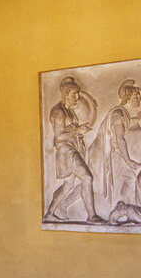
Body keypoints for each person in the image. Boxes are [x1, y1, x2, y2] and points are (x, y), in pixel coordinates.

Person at [44, 77, 104, 223]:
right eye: (74, 94)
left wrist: (78, 130)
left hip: (71, 149)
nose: (77, 98)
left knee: (69, 185)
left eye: (78, 94)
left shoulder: (67, 111)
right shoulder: (59, 112)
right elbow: (59, 136)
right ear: (65, 94)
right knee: (87, 177)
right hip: (66, 151)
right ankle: (91, 216)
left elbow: (69, 130)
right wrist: (78, 130)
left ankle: (49, 213)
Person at [87, 79, 141, 210]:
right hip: (104, 154)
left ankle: (125, 211)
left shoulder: (123, 114)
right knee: (108, 183)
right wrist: (129, 161)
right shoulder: (118, 114)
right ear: (128, 97)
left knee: (129, 179)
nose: (140, 99)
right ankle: (115, 211)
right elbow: (120, 138)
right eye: (137, 96)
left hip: (114, 154)